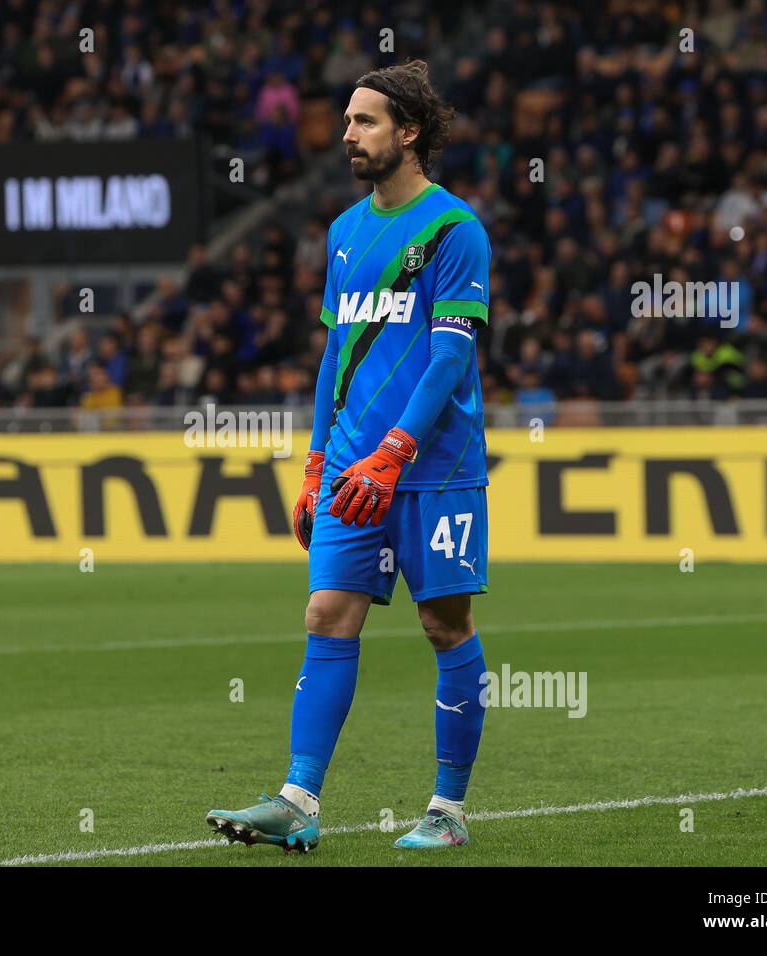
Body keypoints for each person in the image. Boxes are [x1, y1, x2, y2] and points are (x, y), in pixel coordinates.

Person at [207, 60, 492, 853]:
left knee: (445, 623)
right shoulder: (342, 232)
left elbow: (447, 358)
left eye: (364, 121)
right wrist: (316, 462)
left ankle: (448, 809)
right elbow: (336, 353)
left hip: (431, 470)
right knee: (327, 615)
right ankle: (299, 799)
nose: (347, 135)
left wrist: (395, 451)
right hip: (350, 469)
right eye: (346, 122)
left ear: (409, 132)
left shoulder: (455, 230)